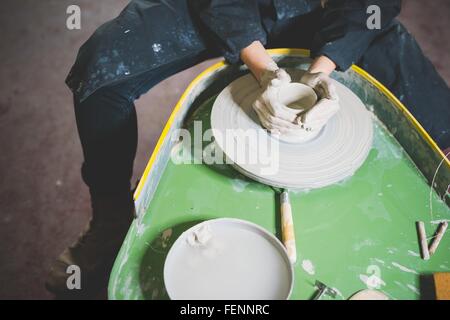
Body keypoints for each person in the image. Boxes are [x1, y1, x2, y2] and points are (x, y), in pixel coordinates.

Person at [46, 0, 450, 297]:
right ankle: (112, 217)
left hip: (326, 10)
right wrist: (265, 70)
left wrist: (321, 71)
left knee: (438, 120)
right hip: (228, 6)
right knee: (99, 70)